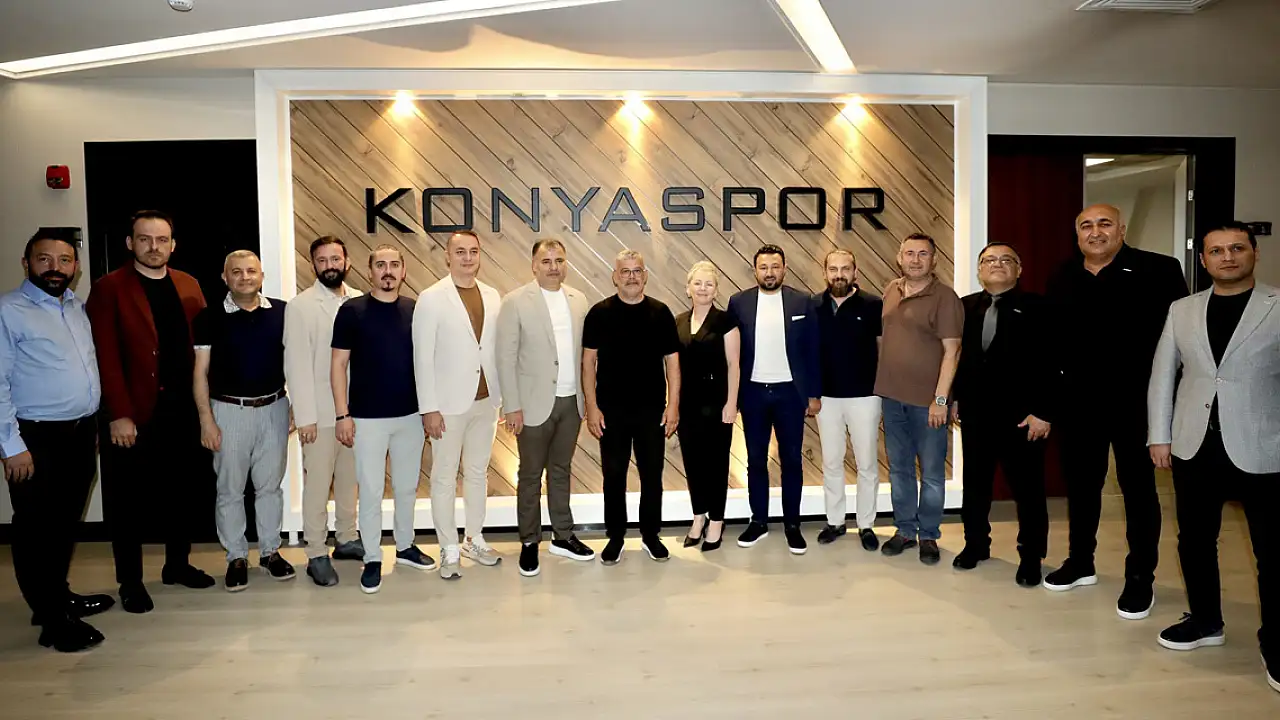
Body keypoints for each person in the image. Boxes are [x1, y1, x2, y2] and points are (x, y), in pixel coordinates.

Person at [1148, 223, 1280, 692]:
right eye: (1217, 250)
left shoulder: (1277, 305)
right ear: (1203, 260)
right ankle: (1206, 621)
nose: (1227, 257)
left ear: (1254, 253)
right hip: (1194, 446)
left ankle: (1276, 641)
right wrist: (1158, 436)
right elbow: (1163, 375)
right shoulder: (1182, 309)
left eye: (1237, 248)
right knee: (1195, 541)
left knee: (1273, 551)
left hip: (1264, 447)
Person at [1044, 204, 1188, 620]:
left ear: (1121, 230)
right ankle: (1080, 561)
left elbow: (1181, 341)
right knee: (1082, 487)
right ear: (1077, 235)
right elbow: (1053, 343)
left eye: (1104, 223)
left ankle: (1140, 577)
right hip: (1078, 405)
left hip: (1138, 404)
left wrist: (1172, 403)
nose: (1095, 232)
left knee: (1139, 492)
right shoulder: (1063, 274)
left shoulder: (1159, 269)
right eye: (1086, 226)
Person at [86, 210, 215, 614]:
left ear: (173, 245)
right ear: (130, 243)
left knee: (182, 493)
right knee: (127, 501)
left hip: (182, 408)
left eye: (161, 240)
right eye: (144, 239)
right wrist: (118, 413)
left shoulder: (189, 284)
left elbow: (203, 349)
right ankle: (130, 581)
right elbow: (104, 355)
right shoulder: (109, 288)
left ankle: (177, 565)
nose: (153, 247)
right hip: (134, 412)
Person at [1, 230, 113, 652]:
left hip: (80, 433)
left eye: (64, 260)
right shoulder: (8, 311)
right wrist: (11, 446)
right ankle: (51, 621)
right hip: (35, 437)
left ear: (75, 267)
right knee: (36, 530)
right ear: (26, 263)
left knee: (65, 523)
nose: (55, 268)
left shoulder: (76, 308)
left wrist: (92, 424)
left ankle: (57, 597)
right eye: (44, 259)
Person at [331, 244, 434, 594]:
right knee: (371, 490)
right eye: (380, 265)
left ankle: (405, 546)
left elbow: (427, 363)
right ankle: (373, 556)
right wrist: (342, 414)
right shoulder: (351, 311)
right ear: (370, 271)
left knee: (406, 487)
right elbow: (338, 365)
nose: (387, 271)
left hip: (410, 417)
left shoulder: (414, 310)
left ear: (403, 271)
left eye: (394, 265)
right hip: (366, 419)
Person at [951, 243, 1055, 586]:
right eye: (989, 260)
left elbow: (1053, 363)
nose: (997, 264)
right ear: (979, 269)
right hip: (975, 415)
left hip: (1023, 419)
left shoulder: (1039, 307)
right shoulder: (966, 306)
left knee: (1028, 492)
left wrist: (1043, 411)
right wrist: (955, 398)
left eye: (1005, 260)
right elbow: (961, 359)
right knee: (975, 486)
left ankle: (1031, 556)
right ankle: (975, 544)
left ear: (1019, 269)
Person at [192, 251, 294, 592]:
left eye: (251, 271)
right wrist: (206, 419)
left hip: (274, 408)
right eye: (236, 272)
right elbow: (200, 372)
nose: (245, 277)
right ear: (225, 278)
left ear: (262, 275)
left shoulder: (282, 312)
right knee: (230, 489)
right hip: (228, 411)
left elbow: (295, 362)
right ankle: (236, 556)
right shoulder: (208, 317)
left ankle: (270, 552)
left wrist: (295, 405)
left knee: (270, 487)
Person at [495, 239, 595, 578]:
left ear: (565, 264)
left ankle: (563, 536)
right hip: (532, 404)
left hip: (571, 401)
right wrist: (512, 406)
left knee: (561, 470)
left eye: (559, 260)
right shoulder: (515, 301)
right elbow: (505, 357)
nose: (554, 267)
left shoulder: (578, 299)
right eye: (546, 261)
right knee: (529, 474)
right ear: (534, 265)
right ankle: (529, 541)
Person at [413, 231, 503, 580]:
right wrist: (429, 408)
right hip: (447, 406)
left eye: (473, 251)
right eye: (460, 252)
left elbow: (493, 350)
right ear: (448, 257)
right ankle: (448, 547)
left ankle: (473, 539)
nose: (467, 258)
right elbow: (422, 358)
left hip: (486, 401)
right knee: (444, 476)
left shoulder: (492, 296)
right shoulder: (431, 298)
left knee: (478, 473)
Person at [583, 249, 681, 566]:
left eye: (637, 271)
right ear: (615, 276)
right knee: (613, 476)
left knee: (652, 476)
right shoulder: (599, 313)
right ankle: (615, 537)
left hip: (652, 411)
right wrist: (591, 407)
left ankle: (651, 536)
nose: (631, 277)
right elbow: (587, 364)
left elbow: (673, 364)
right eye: (625, 271)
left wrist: (673, 406)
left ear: (645, 275)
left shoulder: (661, 313)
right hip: (610, 412)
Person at [874, 233, 963, 566]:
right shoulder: (891, 290)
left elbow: (952, 351)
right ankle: (905, 531)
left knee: (932, 473)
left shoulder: (945, 298)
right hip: (892, 398)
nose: (915, 259)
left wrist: (940, 399)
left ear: (934, 260)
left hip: (928, 404)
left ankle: (928, 535)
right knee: (899, 469)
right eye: (909, 253)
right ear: (899, 258)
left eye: (923, 254)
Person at [727, 245, 821, 555]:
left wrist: (814, 394)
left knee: (792, 460)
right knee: (755, 461)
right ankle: (759, 521)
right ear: (755, 270)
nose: (770, 272)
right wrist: (732, 396)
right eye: (764, 267)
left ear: (784, 268)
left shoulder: (802, 301)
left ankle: (792, 524)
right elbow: (732, 353)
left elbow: (813, 350)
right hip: (753, 393)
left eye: (775, 266)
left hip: (790, 394)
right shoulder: (738, 302)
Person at [284, 236, 365, 588]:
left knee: (350, 479)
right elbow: (296, 364)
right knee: (318, 484)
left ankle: (346, 537)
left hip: (357, 410)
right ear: (313, 265)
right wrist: (305, 417)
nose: (330, 265)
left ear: (347, 262)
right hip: (318, 413)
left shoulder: (360, 300)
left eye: (336, 258)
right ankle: (316, 552)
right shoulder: (300, 307)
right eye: (322, 260)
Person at [813, 249, 883, 551]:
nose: (839, 274)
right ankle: (835, 521)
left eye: (845, 269)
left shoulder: (873, 304)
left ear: (855, 272)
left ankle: (866, 524)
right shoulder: (814, 305)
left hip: (865, 396)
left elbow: (882, 348)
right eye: (833, 269)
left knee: (867, 463)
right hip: (826, 398)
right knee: (831, 461)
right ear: (825, 272)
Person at [674, 261, 740, 553]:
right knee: (693, 463)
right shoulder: (678, 322)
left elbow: (734, 365)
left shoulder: (726, 321)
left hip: (717, 404)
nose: (703, 289)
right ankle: (698, 516)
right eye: (698, 283)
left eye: (709, 284)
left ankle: (716, 520)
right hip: (687, 404)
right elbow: (672, 367)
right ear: (688, 288)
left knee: (716, 465)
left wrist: (732, 403)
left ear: (716, 290)